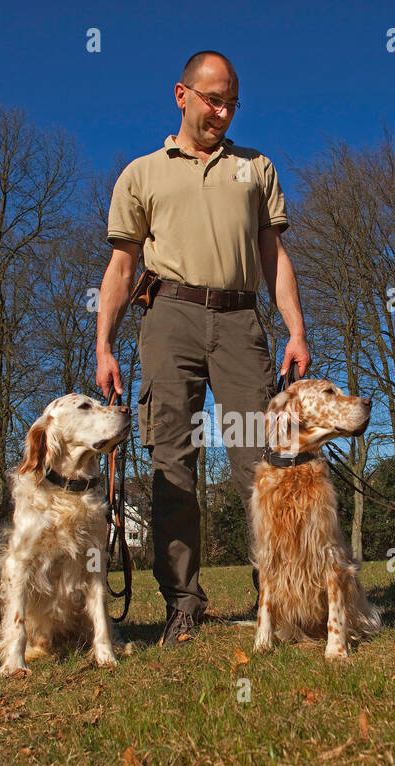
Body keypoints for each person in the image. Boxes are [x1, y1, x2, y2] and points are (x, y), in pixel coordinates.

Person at [95, 49, 311, 647]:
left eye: (232, 102)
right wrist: (104, 345)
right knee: (174, 463)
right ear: (181, 94)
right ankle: (183, 604)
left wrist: (295, 330)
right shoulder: (141, 173)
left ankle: (278, 597)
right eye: (213, 99)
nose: (222, 111)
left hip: (241, 325)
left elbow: (275, 257)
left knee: (260, 463)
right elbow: (120, 266)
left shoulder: (257, 167)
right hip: (170, 320)